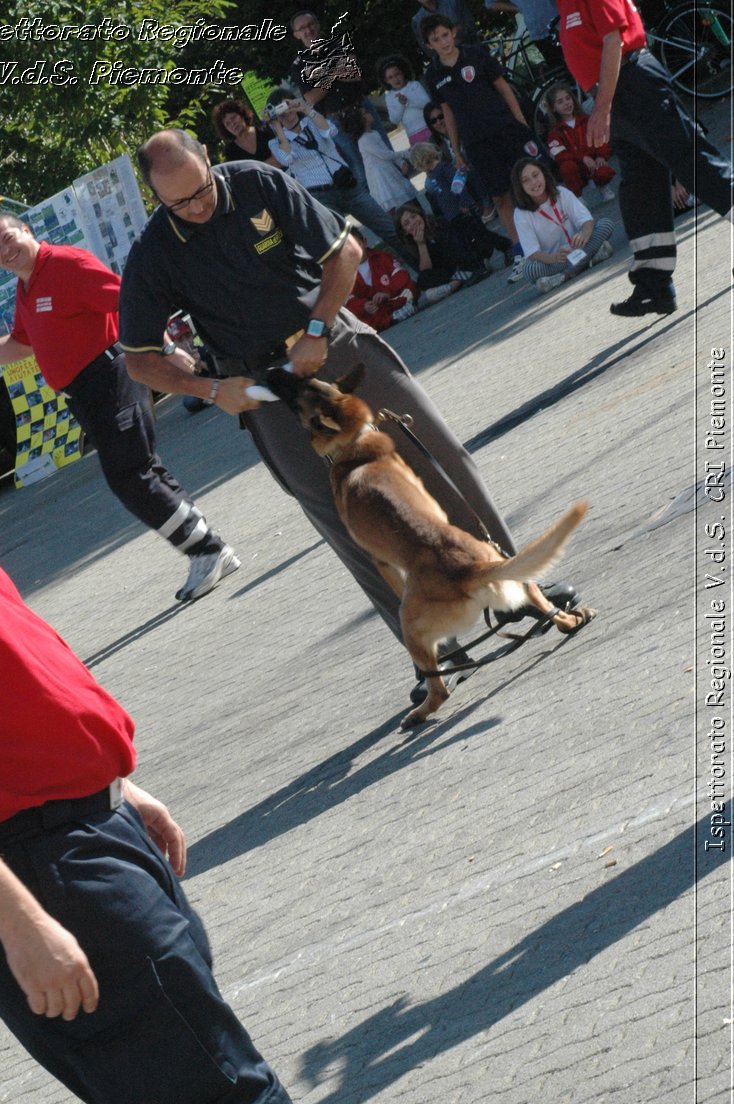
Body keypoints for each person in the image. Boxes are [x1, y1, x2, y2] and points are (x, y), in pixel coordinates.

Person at [0, 518, 331, 1104]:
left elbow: (3, 661)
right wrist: (21, 923)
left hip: (89, 830)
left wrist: (112, 777)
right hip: (42, 868)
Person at [117, 129, 581, 701]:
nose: (197, 207)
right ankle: (432, 659)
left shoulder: (258, 183)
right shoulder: (154, 252)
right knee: (343, 519)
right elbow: (139, 361)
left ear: (209, 159)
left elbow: (346, 253)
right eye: (179, 203)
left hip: (330, 339)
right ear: (156, 200)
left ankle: (516, 590)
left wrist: (316, 328)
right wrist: (211, 389)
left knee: (438, 456)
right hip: (262, 386)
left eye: (200, 190)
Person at [0, 214, 239, 603]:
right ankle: (208, 546)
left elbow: (129, 300)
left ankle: (206, 549)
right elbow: (20, 345)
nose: (5, 252)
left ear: (27, 231)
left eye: (8, 239)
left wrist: (165, 349)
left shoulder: (67, 264)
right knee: (141, 468)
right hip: (84, 395)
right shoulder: (26, 286)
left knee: (130, 475)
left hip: (108, 377)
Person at [555, 0, 734, 316]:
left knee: (694, 163)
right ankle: (654, 285)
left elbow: (614, 39)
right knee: (641, 189)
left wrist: (602, 108)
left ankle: (654, 284)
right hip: (618, 92)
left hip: (634, 82)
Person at [422, 13, 544, 276]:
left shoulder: (475, 54)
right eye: (436, 39)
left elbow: (503, 87)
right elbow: (448, 112)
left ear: (453, 33)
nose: (443, 41)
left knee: (530, 181)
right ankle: (521, 251)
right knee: (500, 195)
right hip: (476, 141)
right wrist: (456, 150)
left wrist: (520, 120)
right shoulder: (433, 74)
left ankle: (554, 230)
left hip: (505, 129)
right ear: (429, 45)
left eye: (445, 35)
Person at [265, 90, 412, 263]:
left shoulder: (312, 122)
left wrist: (305, 109)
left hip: (347, 185)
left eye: (289, 109)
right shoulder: (276, 142)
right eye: (282, 114)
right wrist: (276, 127)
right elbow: (287, 158)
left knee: (389, 229)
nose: (288, 116)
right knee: (344, 247)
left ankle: (426, 271)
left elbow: (330, 131)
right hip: (321, 196)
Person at [288, 9, 392, 187]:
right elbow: (311, 99)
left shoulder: (339, 46)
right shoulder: (299, 65)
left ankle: (411, 209)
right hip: (336, 121)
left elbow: (354, 74)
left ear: (317, 25)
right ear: (296, 34)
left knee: (387, 154)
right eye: (302, 28)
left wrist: (321, 75)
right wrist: (334, 72)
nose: (308, 30)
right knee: (359, 169)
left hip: (361, 108)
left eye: (310, 24)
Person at [510, 157, 615, 293]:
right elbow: (532, 253)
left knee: (606, 224)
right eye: (526, 181)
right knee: (530, 270)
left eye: (536, 175)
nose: (534, 182)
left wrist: (585, 234)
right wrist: (553, 258)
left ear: (543, 174)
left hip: (580, 246)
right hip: (555, 260)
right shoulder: (521, 213)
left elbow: (587, 221)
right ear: (520, 187)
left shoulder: (561, 192)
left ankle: (564, 276)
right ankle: (592, 258)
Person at [407, 141, 515, 268]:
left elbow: (459, 185)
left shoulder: (443, 169)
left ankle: (505, 246)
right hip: (452, 215)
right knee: (467, 240)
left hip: (462, 211)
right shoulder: (433, 175)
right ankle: (480, 262)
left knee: (481, 234)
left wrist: (464, 203)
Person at [340, 106, 418, 215]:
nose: (369, 113)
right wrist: (405, 153)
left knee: (405, 201)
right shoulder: (364, 140)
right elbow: (384, 155)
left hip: (388, 172)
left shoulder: (374, 133)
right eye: (366, 113)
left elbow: (386, 150)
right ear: (362, 121)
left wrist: (400, 162)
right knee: (393, 205)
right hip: (381, 178)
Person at [395, 202, 493, 290]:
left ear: (420, 215)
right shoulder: (410, 245)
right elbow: (426, 270)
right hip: (448, 270)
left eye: (414, 216)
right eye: (407, 223)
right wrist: (421, 244)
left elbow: (455, 245)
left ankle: (465, 275)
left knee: (472, 236)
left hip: (463, 256)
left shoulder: (438, 223)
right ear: (405, 231)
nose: (413, 223)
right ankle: (460, 279)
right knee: (422, 280)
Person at [543, 82, 615, 200]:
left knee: (603, 169)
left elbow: (600, 139)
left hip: (593, 162)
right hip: (576, 167)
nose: (566, 103)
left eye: (568, 98)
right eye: (560, 102)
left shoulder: (587, 120)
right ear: (553, 108)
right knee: (567, 168)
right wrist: (582, 158)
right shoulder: (554, 133)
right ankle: (578, 198)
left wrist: (601, 156)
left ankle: (603, 186)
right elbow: (560, 155)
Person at [344, 227, 419, 330]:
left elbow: (401, 275)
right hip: (372, 311)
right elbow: (348, 300)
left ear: (365, 242)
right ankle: (392, 318)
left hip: (391, 298)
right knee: (350, 317)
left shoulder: (381, 257)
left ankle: (390, 317)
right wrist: (364, 306)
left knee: (411, 286)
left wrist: (386, 292)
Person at [378, 56, 433, 147]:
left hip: (429, 127)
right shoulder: (389, 97)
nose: (395, 79)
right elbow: (394, 120)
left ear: (403, 72)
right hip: (413, 135)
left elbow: (427, 103)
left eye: (397, 74)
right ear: (386, 80)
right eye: (391, 77)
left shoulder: (414, 85)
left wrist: (408, 102)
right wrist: (401, 105)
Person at [212, 97, 281, 167]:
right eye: (227, 124)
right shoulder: (230, 152)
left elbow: (281, 158)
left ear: (242, 114)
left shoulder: (264, 130)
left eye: (233, 118)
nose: (232, 124)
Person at [412, 0, 478, 60]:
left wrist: (439, 43)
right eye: (436, 39)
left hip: (474, 53)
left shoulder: (454, 2)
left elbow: (470, 27)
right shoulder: (417, 21)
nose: (444, 42)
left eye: (446, 34)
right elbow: (428, 50)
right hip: (448, 66)